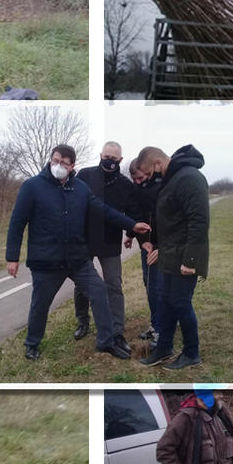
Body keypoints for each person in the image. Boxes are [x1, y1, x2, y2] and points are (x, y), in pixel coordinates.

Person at [5, 145, 151, 361]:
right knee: (40, 304)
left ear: (72, 166)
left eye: (64, 163)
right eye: (56, 160)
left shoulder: (80, 188)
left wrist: (132, 225)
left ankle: (106, 342)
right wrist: (12, 257)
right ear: (51, 160)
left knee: (100, 291)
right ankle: (32, 343)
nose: (59, 165)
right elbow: (17, 223)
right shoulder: (32, 187)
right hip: (46, 261)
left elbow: (103, 210)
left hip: (77, 259)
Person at [136, 145, 210, 370]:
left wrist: (191, 261)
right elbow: (169, 221)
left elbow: (199, 221)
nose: (148, 178)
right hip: (169, 256)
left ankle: (191, 352)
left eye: (149, 173)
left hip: (184, 258)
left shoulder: (189, 177)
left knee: (180, 303)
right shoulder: (173, 179)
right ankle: (164, 348)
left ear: (158, 162)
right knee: (165, 302)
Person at [73, 141, 142, 354]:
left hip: (110, 242)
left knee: (114, 285)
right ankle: (82, 321)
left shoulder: (125, 185)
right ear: (100, 155)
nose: (109, 161)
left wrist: (131, 233)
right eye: (106, 157)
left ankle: (117, 331)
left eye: (114, 159)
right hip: (85, 240)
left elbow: (132, 214)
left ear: (120, 160)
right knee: (82, 285)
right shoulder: (84, 175)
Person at [127, 158, 164, 346]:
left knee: (159, 287)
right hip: (147, 245)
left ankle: (162, 330)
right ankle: (155, 324)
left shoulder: (164, 186)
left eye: (141, 178)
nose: (139, 182)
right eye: (135, 179)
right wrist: (134, 237)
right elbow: (137, 216)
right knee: (148, 283)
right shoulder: (136, 190)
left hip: (164, 246)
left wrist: (162, 246)